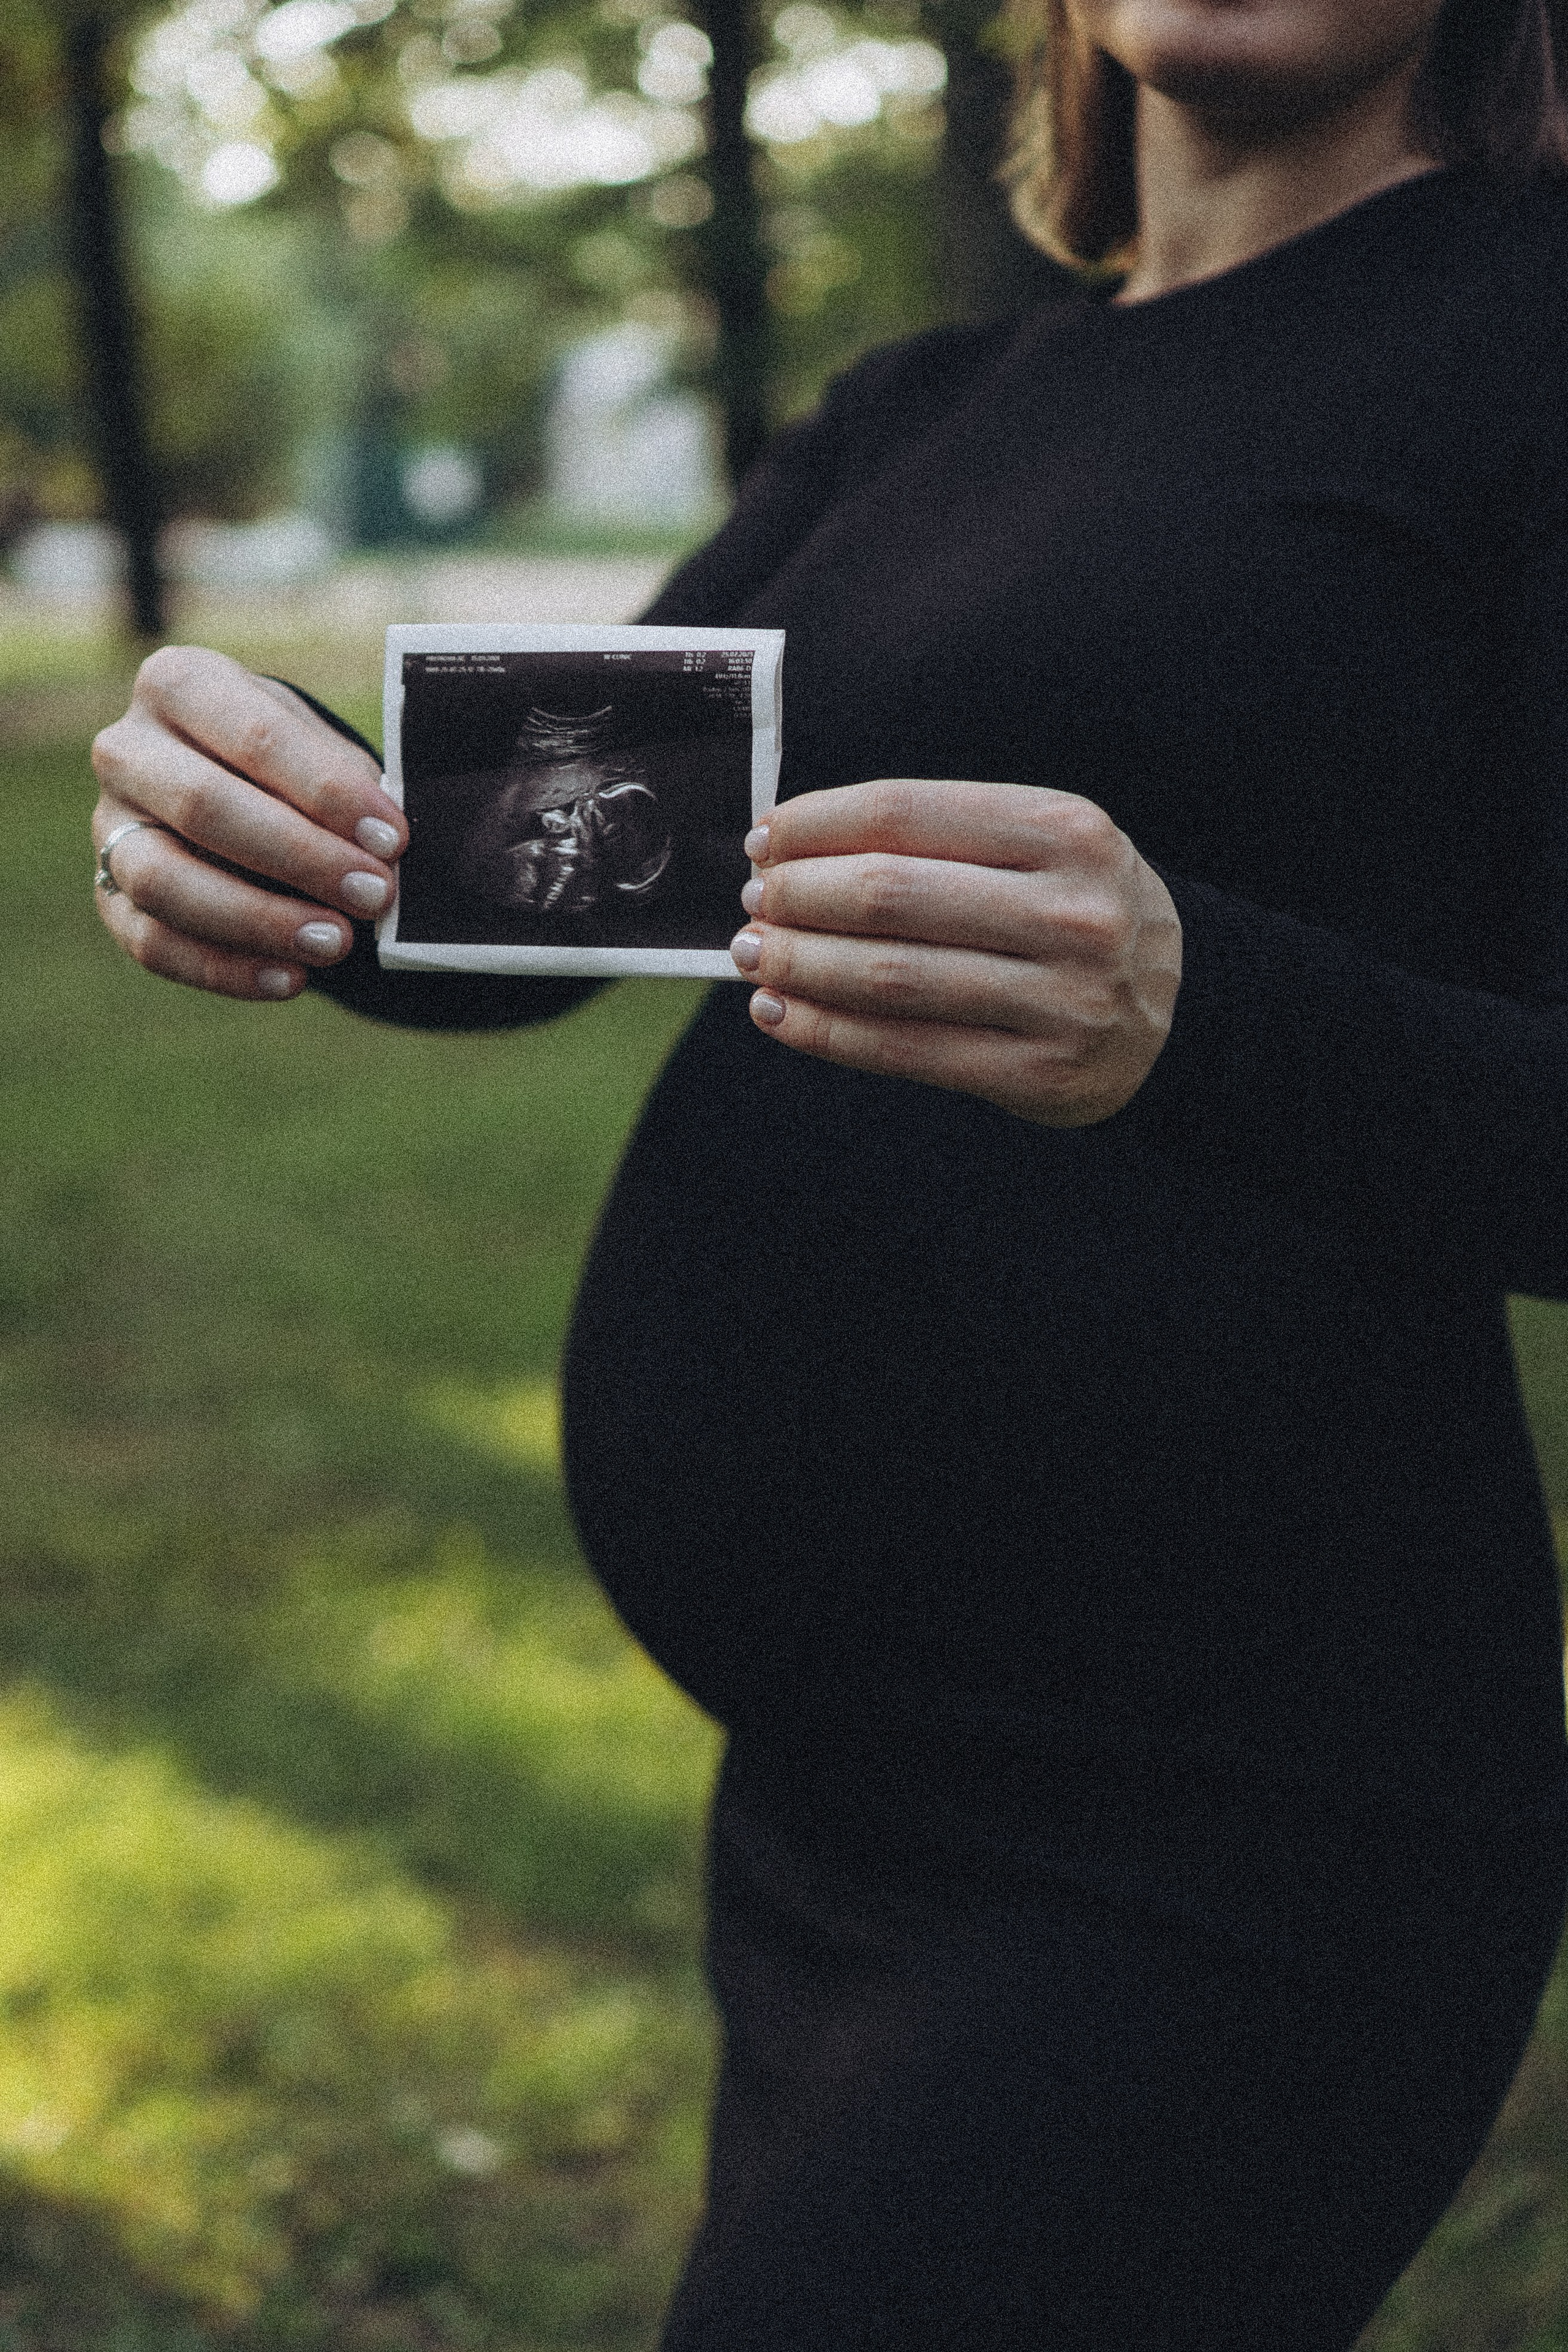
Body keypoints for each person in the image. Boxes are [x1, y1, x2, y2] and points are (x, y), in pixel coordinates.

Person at [90, 0, 1568, 2340]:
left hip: (1223, 1836)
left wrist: (1206, 1016)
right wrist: (265, 823)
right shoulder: (932, 410)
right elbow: (526, 904)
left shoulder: (1531, 340)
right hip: (837, 1812)